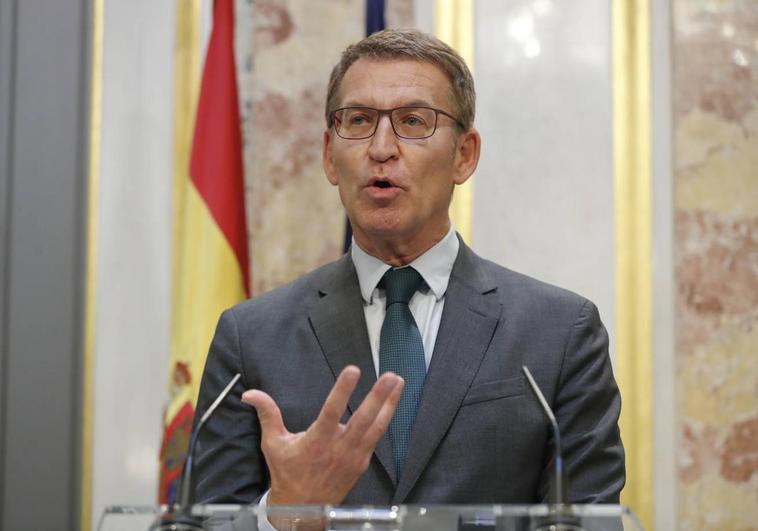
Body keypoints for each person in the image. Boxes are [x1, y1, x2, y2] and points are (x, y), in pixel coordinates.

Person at [192, 28, 624, 509]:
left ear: (464, 155)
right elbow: (208, 519)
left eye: (413, 121)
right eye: (358, 120)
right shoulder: (251, 338)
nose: (381, 148)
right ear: (329, 156)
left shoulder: (558, 333)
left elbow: (589, 518)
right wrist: (285, 513)